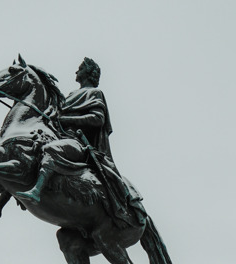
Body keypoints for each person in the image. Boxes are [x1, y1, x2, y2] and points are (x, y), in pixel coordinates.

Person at [16, 58, 144, 227]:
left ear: (89, 73)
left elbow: (98, 119)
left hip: (79, 143)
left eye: (80, 68)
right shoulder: (70, 96)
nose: (76, 72)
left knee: (50, 149)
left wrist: (65, 118)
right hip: (62, 138)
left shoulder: (94, 93)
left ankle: (37, 190)